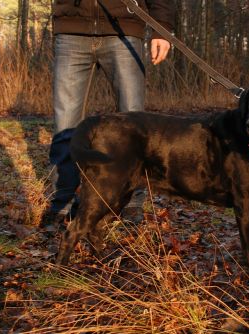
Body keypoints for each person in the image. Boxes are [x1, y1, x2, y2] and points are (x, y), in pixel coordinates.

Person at [41, 0, 175, 228]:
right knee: (65, 126)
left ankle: (132, 202)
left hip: (125, 29)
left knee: (134, 127)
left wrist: (161, 27)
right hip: (71, 29)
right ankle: (62, 203)